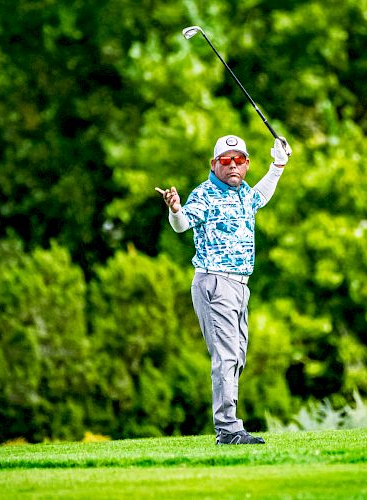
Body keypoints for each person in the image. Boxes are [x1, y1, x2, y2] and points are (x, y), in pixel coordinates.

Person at [156, 134, 291, 445]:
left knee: (237, 357)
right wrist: (175, 209)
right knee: (226, 357)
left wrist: (279, 164)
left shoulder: (243, 193)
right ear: (214, 164)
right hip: (214, 282)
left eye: (240, 160)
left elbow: (262, 196)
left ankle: (229, 427)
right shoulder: (204, 195)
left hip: (241, 286)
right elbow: (181, 224)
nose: (233, 165)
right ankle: (228, 430)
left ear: (246, 164)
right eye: (226, 160)